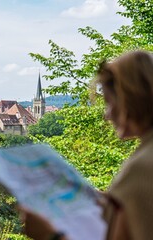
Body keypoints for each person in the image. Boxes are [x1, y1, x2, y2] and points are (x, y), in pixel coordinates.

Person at [18, 50, 153, 240]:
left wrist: (50, 235)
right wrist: (103, 200)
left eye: (109, 102)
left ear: (131, 98)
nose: (106, 115)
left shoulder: (141, 168)